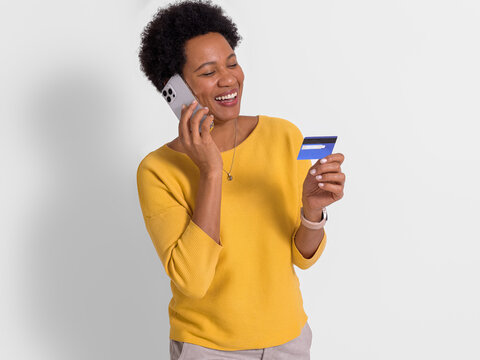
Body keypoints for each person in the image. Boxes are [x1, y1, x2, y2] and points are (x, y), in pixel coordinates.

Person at [135, 1, 346, 358]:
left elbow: (304, 257)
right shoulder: (157, 170)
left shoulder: (284, 136)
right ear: (176, 89)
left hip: (288, 340)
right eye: (208, 71)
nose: (229, 78)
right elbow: (192, 280)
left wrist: (312, 211)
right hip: (208, 348)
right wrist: (211, 171)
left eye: (232, 63)